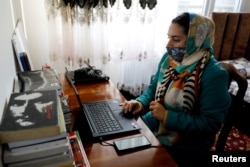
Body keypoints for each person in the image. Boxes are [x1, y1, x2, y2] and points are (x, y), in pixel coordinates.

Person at [121, 12, 231, 166]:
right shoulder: (169, 60)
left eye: (176, 39)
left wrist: (167, 116)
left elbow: (210, 124)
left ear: (195, 41)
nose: (168, 45)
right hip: (156, 124)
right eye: (169, 37)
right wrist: (139, 103)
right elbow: (153, 89)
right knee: (122, 148)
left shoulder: (214, 75)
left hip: (189, 143)